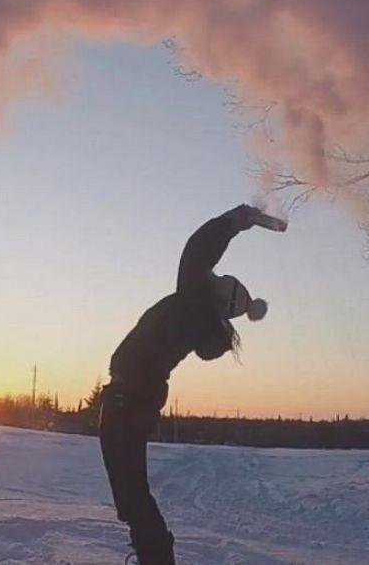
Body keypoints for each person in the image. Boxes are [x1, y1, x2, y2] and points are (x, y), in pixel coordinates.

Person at [99, 203, 274, 565]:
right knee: (132, 494)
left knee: (131, 495)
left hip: (127, 400)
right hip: (135, 401)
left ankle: (158, 558)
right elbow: (199, 256)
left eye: (220, 279)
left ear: (219, 293)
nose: (213, 275)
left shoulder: (193, 300)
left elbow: (197, 248)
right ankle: (154, 555)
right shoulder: (201, 317)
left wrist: (233, 221)